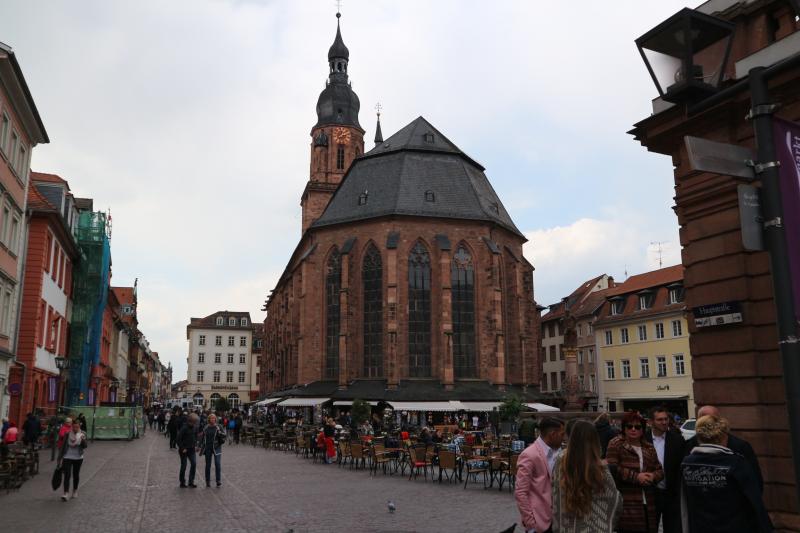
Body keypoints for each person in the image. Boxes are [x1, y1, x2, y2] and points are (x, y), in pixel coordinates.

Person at [681, 415, 772, 533]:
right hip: (734, 526)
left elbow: (684, 503)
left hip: (700, 527)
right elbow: (754, 501)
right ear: (723, 436)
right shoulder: (736, 463)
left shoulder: (686, 464)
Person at [552, 420, 622, 532]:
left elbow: (555, 491)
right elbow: (615, 500)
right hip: (592, 528)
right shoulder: (599, 467)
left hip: (566, 527)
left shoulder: (560, 460)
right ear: (594, 439)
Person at [605, 411, 664, 533]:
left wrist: (653, 476)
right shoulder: (616, 444)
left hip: (648, 502)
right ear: (624, 428)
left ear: (642, 430)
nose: (633, 429)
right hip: (627, 502)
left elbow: (659, 470)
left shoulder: (648, 447)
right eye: (629, 426)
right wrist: (636, 477)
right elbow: (612, 469)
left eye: (637, 427)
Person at [685, 405, 763, 493]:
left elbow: (754, 480)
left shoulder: (740, 446)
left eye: (714, 420)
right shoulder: (689, 446)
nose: (711, 425)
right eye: (707, 421)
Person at [515, 417, 565, 533]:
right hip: (539, 523)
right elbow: (521, 492)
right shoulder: (529, 454)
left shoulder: (558, 453)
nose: (563, 439)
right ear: (552, 434)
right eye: (562, 434)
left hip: (557, 521)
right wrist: (531, 525)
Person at [644, 406, 685, 533]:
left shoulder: (677, 439)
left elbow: (681, 466)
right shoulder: (643, 440)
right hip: (650, 493)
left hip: (671, 494)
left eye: (666, 419)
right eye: (660, 420)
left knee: (673, 528)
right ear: (650, 422)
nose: (664, 422)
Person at [57, 419, 87, 501]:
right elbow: (63, 446)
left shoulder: (82, 434)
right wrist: (59, 458)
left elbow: (85, 446)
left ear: (79, 427)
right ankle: (66, 493)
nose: (75, 429)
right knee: (67, 475)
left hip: (78, 458)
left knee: (76, 475)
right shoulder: (67, 434)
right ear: (72, 427)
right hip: (67, 457)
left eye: (77, 427)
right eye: (74, 427)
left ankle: (75, 490)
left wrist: (83, 440)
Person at [200, 413, 225, 487]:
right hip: (208, 447)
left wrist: (219, 431)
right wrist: (199, 446)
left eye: (214, 418)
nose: (213, 419)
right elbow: (202, 437)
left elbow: (224, 435)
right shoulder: (206, 427)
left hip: (217, 447)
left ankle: (218, 480)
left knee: (217, 464)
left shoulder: (219, 426)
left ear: (215, 419)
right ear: (209, 419)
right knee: (208, 465)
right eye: (211, 418)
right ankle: (207, 481)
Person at [176, 413, 199, 488]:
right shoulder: (184, 428)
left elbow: (195, 437)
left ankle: (191, 481)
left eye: (195, 422)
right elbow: (178, 439)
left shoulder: (195, 427)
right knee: (184, 466)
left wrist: (196, 445)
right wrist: (182, 448)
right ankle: (182, 482)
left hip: (192, 449)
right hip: (184, 450)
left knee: (194, 463)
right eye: (194, 422)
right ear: (190, 421)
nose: (195, 423)